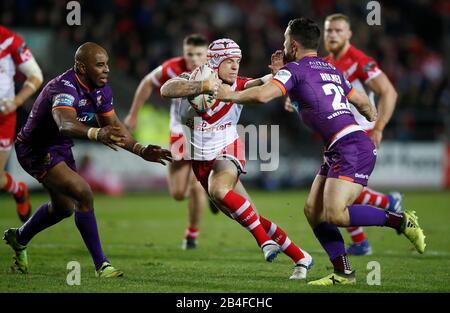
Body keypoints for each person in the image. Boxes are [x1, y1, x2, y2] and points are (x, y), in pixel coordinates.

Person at [216, 18, 426, 286]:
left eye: (284, 40)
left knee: (336, 213)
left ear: (293, 44)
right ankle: (344, 273)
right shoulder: (330, 69)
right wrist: (372, 118)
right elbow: (360, 101)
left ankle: (400, 221)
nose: (281, 45)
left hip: (349, 147)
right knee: (313, 212)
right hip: (342, 146)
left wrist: (225, 95)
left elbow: (261, 96)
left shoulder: (295, 70)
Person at [3, 42, 172, 278]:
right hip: (36, 150)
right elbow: (65, 124)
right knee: (83, 193)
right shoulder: (64, 87)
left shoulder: (102, 90)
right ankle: (101, 265)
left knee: (63, 209)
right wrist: (96, 133)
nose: (107, 69)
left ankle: (19, 237)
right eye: (100, 65)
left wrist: (141, 150)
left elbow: (114, 127)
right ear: (82, 67)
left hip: (60, 147)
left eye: (107, 64)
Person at [161, 38, 314, 280]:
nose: (235, 67)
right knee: (249, 214)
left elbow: (265, 82)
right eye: (229, 61)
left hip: (229, 151)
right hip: (200, 163)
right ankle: (301, 256)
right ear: (214, 62)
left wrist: (279, 74)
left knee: (220, 190)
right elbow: (166, 89)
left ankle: (264, 242)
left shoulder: (241, 85)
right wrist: (200, 87)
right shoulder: (190, 81)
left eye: (238, 61)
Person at [284, 13, 403, 256]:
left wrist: (379, 127)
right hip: (335, 135)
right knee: (333, 200)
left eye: (338, 30)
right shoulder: (323, 62)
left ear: (349, 34)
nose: (333, 35)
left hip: (359, 133)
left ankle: (388, 205)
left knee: (339, 196)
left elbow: (389, 92)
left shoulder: (359, 61)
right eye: (329, 30)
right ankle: (362, 240)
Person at [124, 34, 211, 250]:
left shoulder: (215, 70)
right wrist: (134, 115)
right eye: (189, 53)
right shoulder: (172, 68)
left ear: (207, 54)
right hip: (179, 132)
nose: (193, 58)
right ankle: (210, 191)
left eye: (199, 54)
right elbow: (146, 83)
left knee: (196, 185)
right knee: (178, 193)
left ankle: (191, 235)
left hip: (205, 133)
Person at [0, 25, 43, 222]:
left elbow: (36, 76)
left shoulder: (9, 39)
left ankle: (18, 191)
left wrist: (16, 102)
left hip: (4, 117)